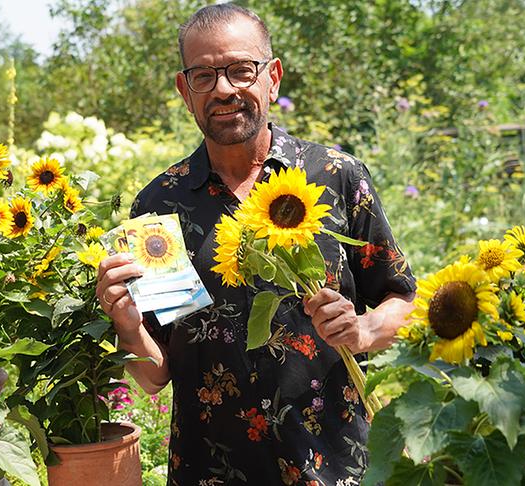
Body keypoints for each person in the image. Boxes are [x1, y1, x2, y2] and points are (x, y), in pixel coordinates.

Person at [96, 4, 416, 484]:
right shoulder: (160, 205)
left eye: (241, 70)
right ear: (185, 91)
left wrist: (364, 331)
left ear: (273, 78)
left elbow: (402, 297)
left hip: (335, 463)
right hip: (213, 468)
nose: (224, 89)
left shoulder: (334, 176)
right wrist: (125, 322)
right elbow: (156, 373)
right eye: (203, 75)